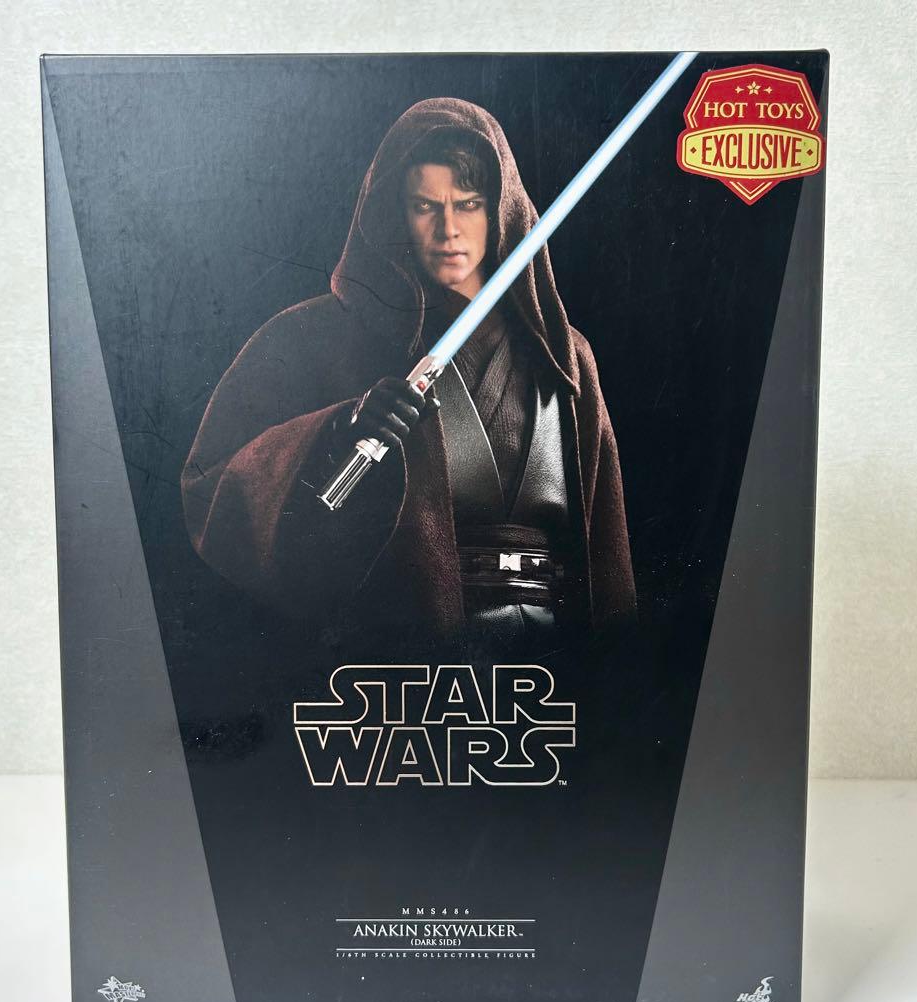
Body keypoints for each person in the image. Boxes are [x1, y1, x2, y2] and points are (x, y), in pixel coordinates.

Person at [181, 97, 636, 642]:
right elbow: (211, 485)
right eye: (425, 206)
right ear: (395, 214)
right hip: (398, 654)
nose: (449, 229)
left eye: (468, 204)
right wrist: (334, 433)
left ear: (502, 211)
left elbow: (605, 547)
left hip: (553, 661)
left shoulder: (564, 354)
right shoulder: (314, 335)